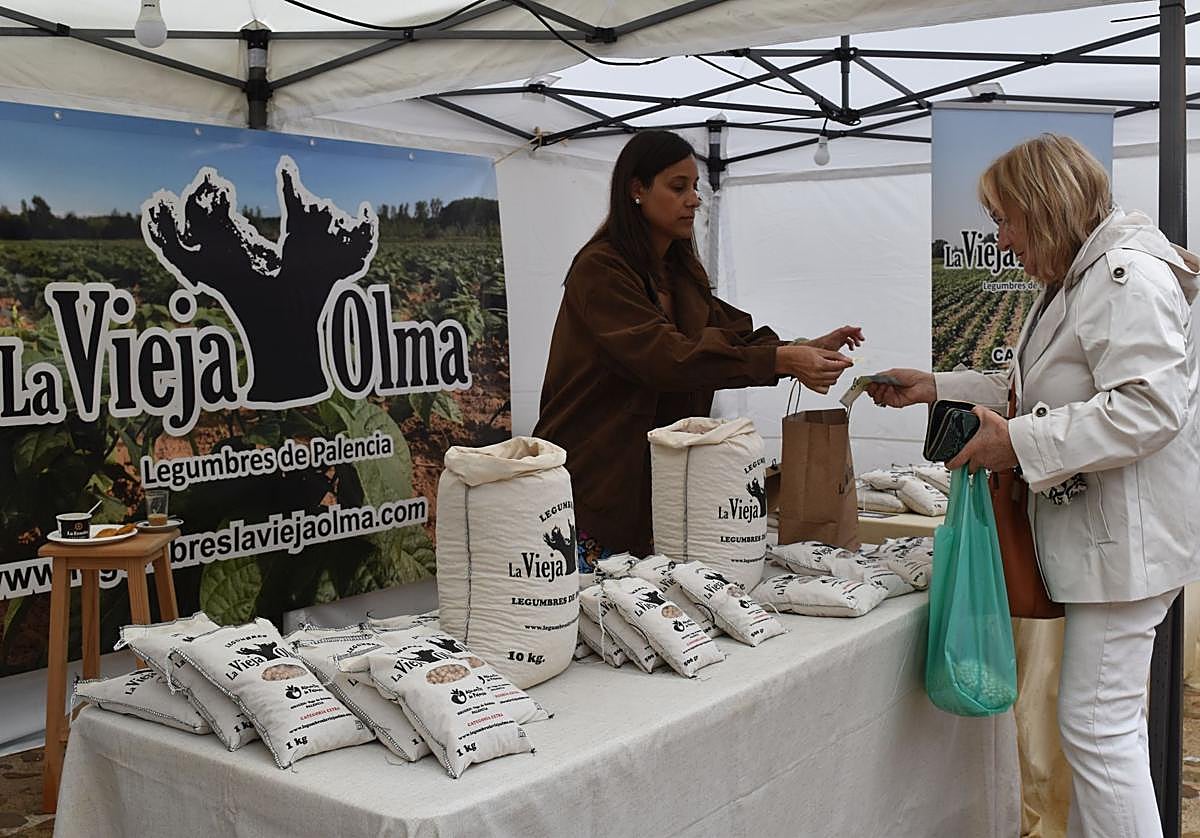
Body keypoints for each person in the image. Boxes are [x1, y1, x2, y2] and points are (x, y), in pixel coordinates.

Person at [868, 133, 1200, 838]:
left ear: (1045, 208)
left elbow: (1149, 408)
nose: (1001, 236)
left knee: (1097, 727)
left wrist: (1014, 443)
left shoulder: (1123, 278)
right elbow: (1040, 390)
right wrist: (937, 385)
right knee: (1098, 728)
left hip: (1126, 544)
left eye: (1006, 217)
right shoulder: (1074, 283)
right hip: (1108, 537)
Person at [533, 130, 861, 570]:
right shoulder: (601, 270)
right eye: (678, 187)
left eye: (695, 188)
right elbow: (666, 357)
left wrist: (800, 348)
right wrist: (782, 359)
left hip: (657, 488)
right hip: (597, 481)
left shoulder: (679, 272)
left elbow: (732, 333)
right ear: (636, 189)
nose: (694, 200)